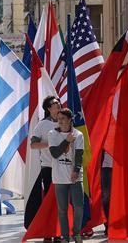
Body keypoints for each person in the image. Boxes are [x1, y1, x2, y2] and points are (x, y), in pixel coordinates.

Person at [48, 108, 84, 243]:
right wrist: (67, 141)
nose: (60, 121)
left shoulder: (78, 134)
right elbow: (55, 153)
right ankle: (65, 236)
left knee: (79, 207)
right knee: (62, 209)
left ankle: (77, 233)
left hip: (75, 177)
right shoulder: (52, 134)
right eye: (59, 119)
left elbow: (79, 154)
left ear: (69, 119)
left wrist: (76, 170)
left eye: (63, 118)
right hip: (59, 177)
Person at [27, 96, 60, 235]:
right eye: (54, 104)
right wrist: (50, 145)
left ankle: (58, 231)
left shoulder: (65, 121)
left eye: (59, 103)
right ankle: (48, 231)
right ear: (48, 108)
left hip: (64, 168)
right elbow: (33, 144)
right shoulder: (42, 125)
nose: (58, 105)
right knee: (49, 201)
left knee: (61, 202)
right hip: (48, 168)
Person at [101, 150, 113, 237]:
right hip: (106, 167)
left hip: (121, 166)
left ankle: (117, 225)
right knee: (106, 197)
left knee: (119, 198)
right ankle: (108, 225)